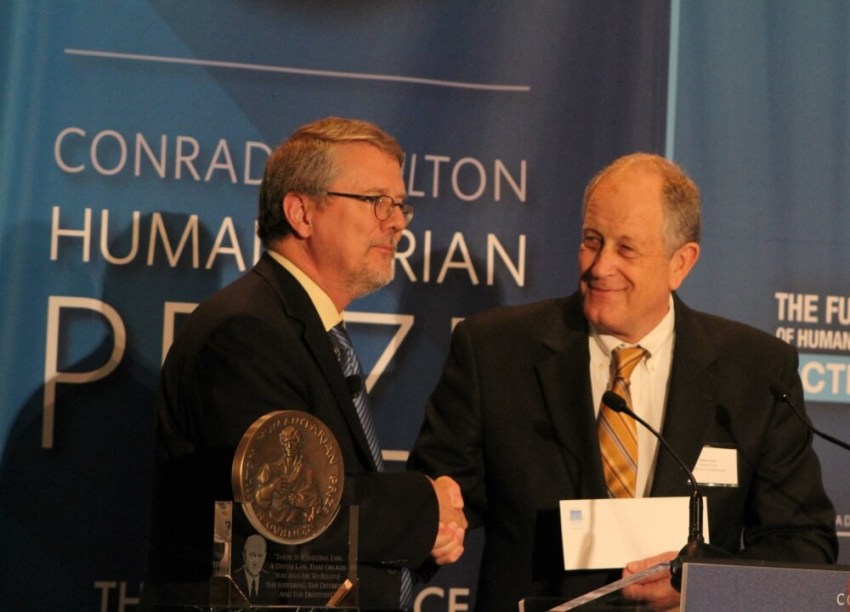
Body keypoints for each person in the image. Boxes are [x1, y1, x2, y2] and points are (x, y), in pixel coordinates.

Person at [407, 152, 838, 611]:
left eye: (626, 249)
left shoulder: (755, 371)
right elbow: (437, 499)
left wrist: (700, 583)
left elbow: (801, 543)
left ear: (681, 263)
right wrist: (435, 519)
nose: (599, 266)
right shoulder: (495, 351)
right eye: (592, 240)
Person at [140, 116, 467, 610]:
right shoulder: (245, 333)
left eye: (400, 205)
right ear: (301, 213)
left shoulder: (306, 327)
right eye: (377, 201)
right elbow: (284, 512)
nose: (397, 221)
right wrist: (425, 509)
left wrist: (428, 530)